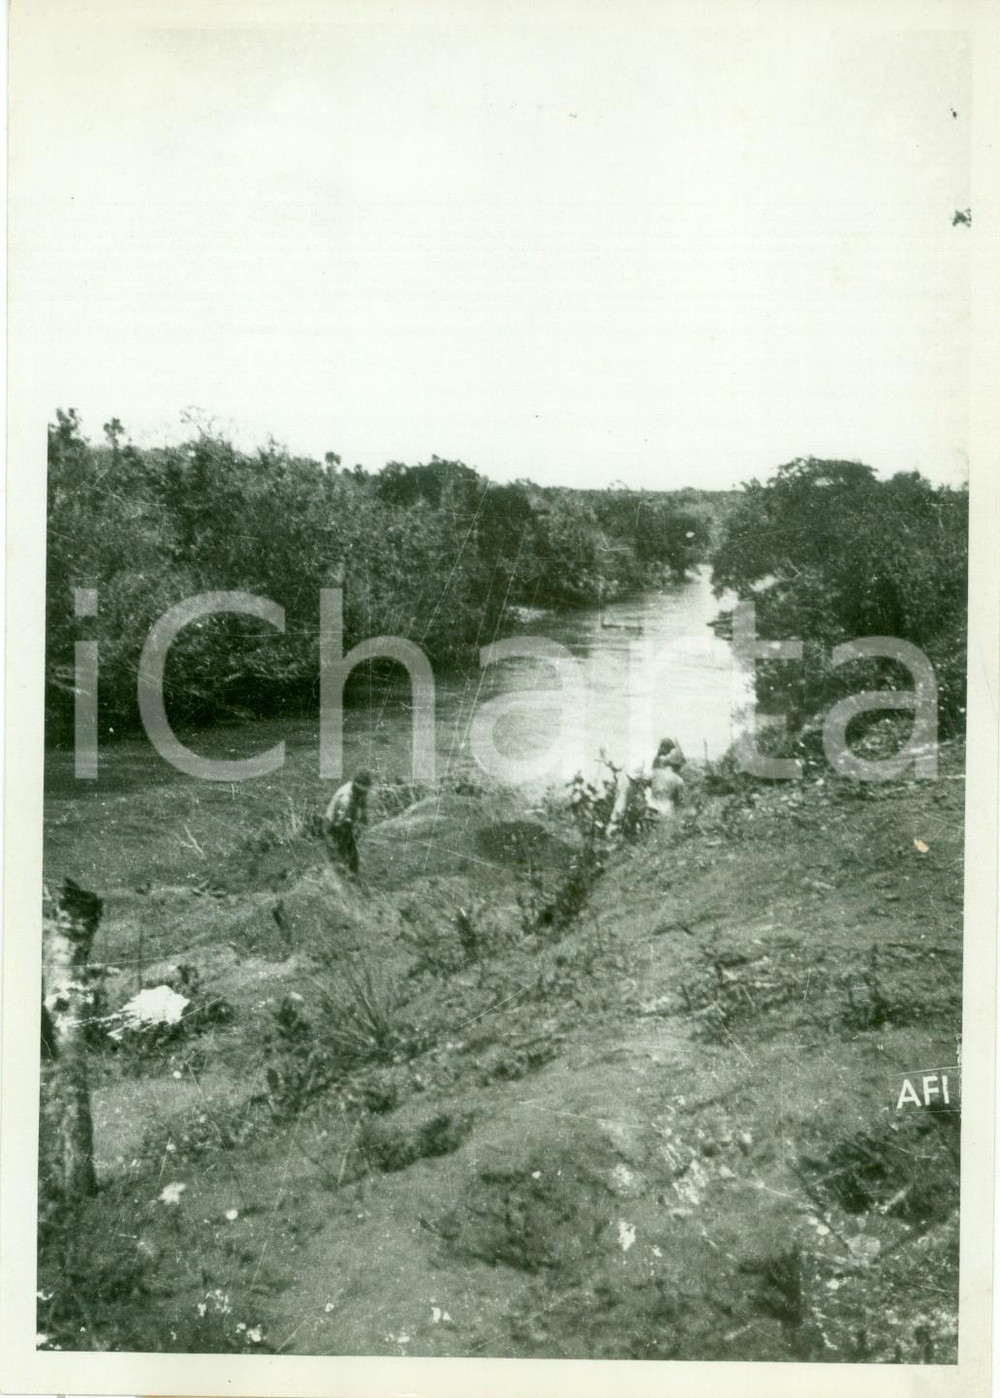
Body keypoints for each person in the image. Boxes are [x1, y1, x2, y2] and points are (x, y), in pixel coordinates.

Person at [322, 770, 373, 875]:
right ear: (358, 786)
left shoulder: (358, 791)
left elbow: (362, 809)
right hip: (333, 825)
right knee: (339, 857)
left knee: (353, 857)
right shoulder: (345, 798)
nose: (365, 794)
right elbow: (338, 823)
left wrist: (363, 820)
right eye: (363, 791)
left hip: (345, 822)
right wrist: (351, 825)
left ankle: (353, 877)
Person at [649, 736, 686, 817]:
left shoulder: (655, 772)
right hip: (666, 813)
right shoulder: (678, 780)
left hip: (651, 808)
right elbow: (681, 802)